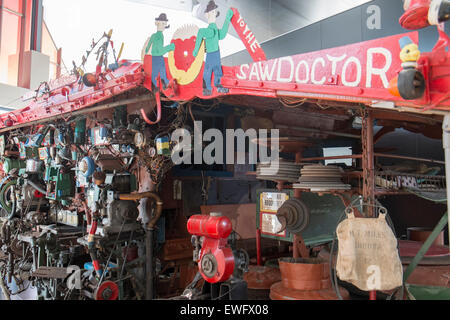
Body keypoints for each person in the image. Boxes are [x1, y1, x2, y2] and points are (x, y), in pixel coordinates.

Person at [193, 1, 233, 96]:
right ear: (207, 15)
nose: (213, 14)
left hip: (216, 52)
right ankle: (206, 88)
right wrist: (196, 50)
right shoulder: (208, 30)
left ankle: (218, 86)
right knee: (208, 70)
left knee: (218, 70)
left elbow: (222, 35)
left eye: (214, 12)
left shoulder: (214, 29)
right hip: (210, 53)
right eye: (211, 12)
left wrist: (227, 19)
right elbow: (200, 34)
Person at [145, 13, 175, 90]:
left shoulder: (154, 35)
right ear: (157, 23)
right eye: (162, 23)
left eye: (164, 24)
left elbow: (148, 46)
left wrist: (146, 51)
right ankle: (162, 82)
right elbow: (160, 50)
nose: (163, 26)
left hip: (155, 56)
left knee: (158, 70)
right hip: (157, 55)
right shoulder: (159, 36)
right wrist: (170, 47)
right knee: (160, 69)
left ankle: (158, 84)